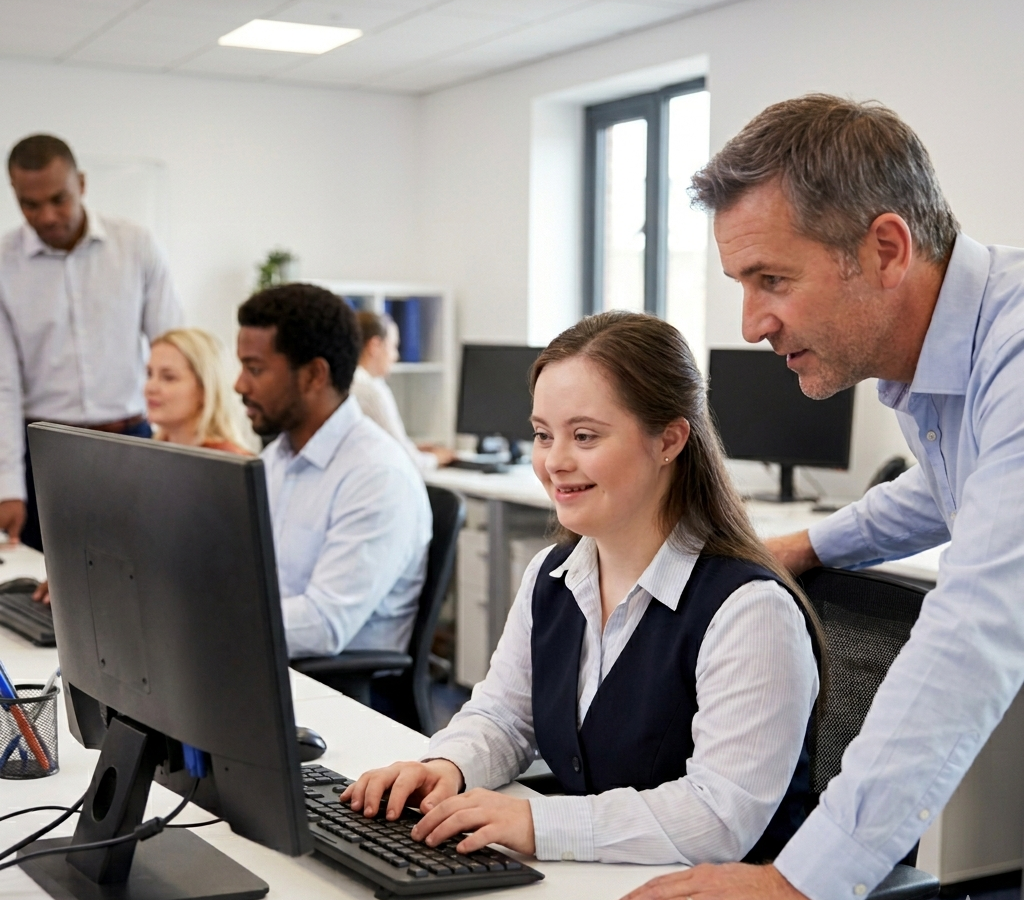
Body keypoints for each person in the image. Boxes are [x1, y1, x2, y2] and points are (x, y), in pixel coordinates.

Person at [599, 94, 1024, 900]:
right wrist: (805, 543)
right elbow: (948, 489)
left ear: (886, 249)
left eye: (773, 280)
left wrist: (804, 876)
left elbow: (979, 624)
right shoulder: (942, 356)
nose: (753, 324)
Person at [341, 311, 819, 869]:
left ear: (669, 439)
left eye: (584, 435)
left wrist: (535, 822)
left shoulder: (749, 610)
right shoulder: (554, 575)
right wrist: (447, 768)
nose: (554, 462)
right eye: (544, 434)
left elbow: (718, 820)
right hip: (603, 888)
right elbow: (504, 718)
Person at [0, 133, 182, 551]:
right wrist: (8, 484)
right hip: (45, 452)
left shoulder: (135, 244)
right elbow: (3, 384)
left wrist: (183, 450)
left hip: (130, 440)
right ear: (15, 195)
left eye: (58, 199)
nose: (47, 216)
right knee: (47, 586)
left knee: (141, 569)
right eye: (31, 204)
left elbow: (174, 352)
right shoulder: (4, 263)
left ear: (81, 184)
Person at [235, 284, 431, 658]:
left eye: (255, 369)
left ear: (313, 376)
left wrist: (215, 622)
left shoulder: (377, 475)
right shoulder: (278, 456)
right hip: (274, 666)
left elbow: (323, 626)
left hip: (344, 692)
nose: (239, 384)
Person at [351, 310, 456, 469]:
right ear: (374, 346)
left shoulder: (346, 380)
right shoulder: (370, 390)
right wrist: (437, 458)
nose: (396, 356)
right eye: (393, 346)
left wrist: (412, 447)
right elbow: (406, 460)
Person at [147, 328, 251, 455]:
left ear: (205, 389)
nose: (150, 388)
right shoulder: (149, 453)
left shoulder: (232, 462)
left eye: (169, 378)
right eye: (149, 374)